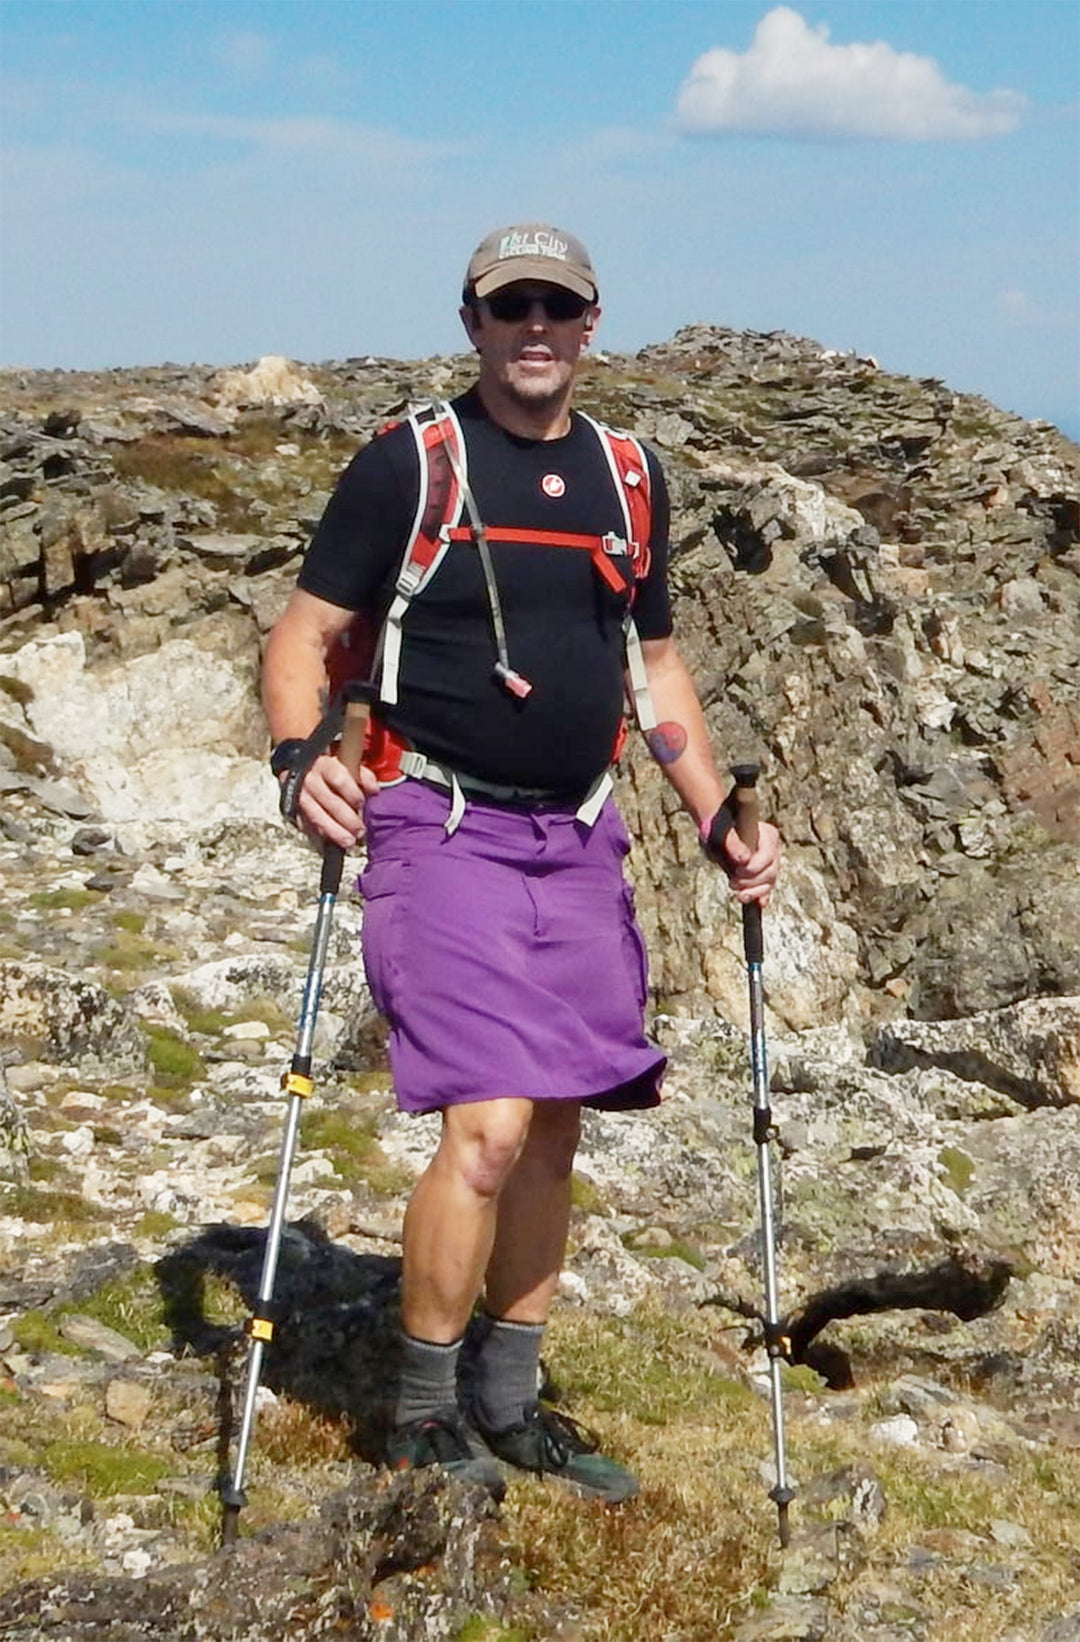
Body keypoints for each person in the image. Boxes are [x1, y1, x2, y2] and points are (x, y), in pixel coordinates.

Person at [261, 222, 781, 1503]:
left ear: (591, 325)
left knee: (553, 1127)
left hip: (582, 826)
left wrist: (716, 817)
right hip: (437, 827)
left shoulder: (630, 477)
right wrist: (293, 761)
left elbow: (654, 668)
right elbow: (307, 636)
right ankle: (425, 1414)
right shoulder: (406, 466)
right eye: (512, 307)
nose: (534, 326)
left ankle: (510, 1400)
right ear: (474, 322)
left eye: (558, 305)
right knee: (488, 1124)